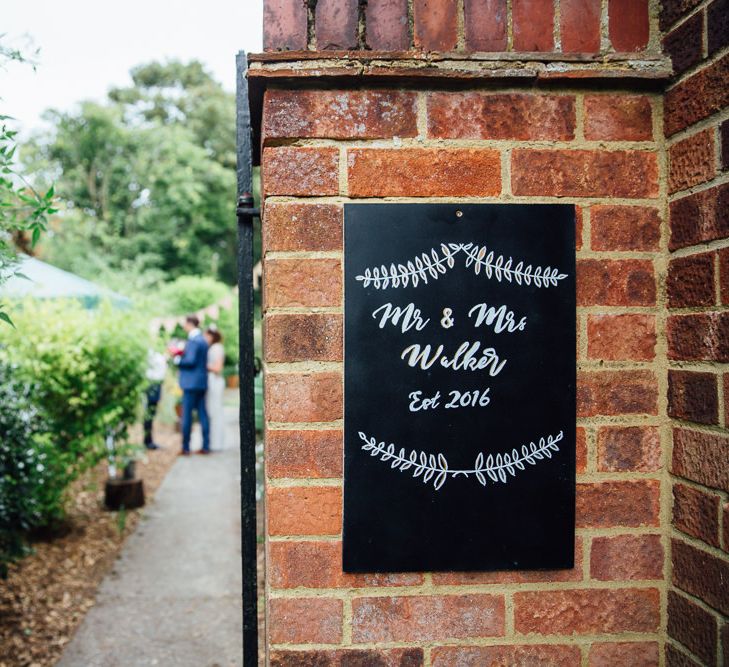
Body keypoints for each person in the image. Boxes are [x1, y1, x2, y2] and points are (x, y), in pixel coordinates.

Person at [176, 315, 210, 455]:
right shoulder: (202, 339)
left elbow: (190, 361)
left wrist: (177, 360)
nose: (184, 326)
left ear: (190, 324)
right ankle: (206, 446)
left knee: (187, 416)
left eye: (185, 323)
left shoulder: (193, 340)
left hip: (190, 384)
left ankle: (185, 448)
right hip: (201, 382)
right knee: (202, 414)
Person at [205, 326, 226, 451]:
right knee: (212, 412)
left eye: (206, 335)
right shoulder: (214, 347)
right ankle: (214, 442)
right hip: (213, 380)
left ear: (211, 336)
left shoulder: (216, 348)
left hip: (215, 381)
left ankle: (216, 443)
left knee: (214, 412)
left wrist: (203, 364)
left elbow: (217, 368)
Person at [143, 348, 167, 450]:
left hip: (156, 384)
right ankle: (147, 441)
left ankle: (148, 440)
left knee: (151, 413)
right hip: (152, 384)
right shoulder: (150, 353)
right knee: (149, 413)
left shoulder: (156, 352)